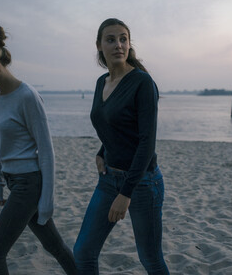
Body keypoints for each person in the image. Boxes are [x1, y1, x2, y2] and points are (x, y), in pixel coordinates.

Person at [0, 26, 76, 274]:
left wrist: (47, 200)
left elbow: (47, 152)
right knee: (55, 246)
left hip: (29, 184)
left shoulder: (28, 96)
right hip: (14, 182)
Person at [73, 18, 169, 274]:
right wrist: (102, 151)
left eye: (124, 39)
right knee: (83, 253)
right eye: (111, 39)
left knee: (150, 259)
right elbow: (112, 125)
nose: (118, 45)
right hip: (108, 180)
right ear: (99, 45)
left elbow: (147, 142)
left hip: (142, 183)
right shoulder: (100, 83)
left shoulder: (142, 83)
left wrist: (126, 194)